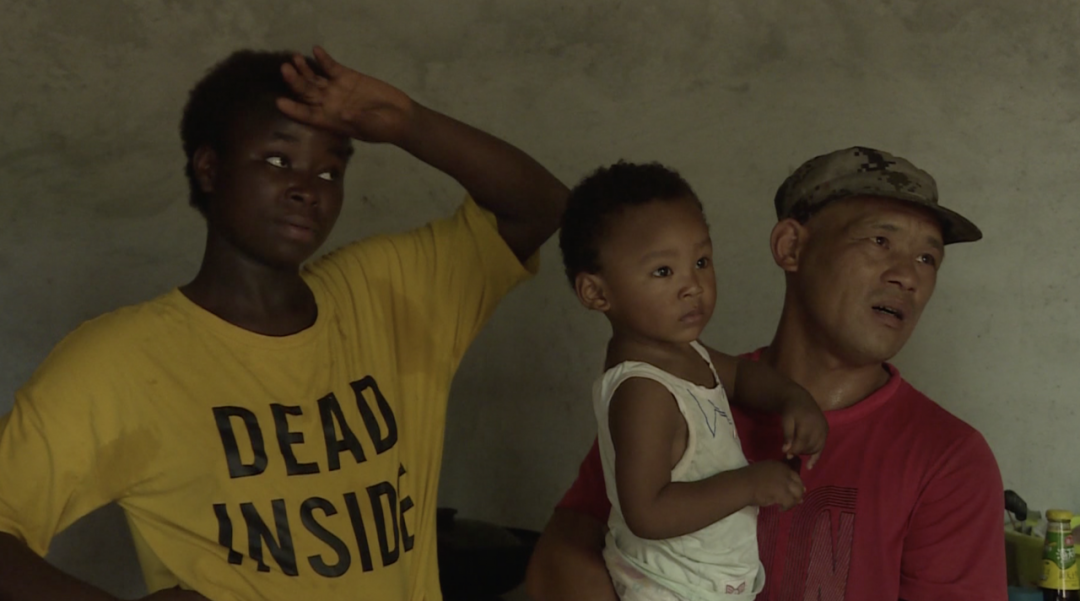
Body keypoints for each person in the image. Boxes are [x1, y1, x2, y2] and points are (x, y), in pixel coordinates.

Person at [0, 46, 567, 601]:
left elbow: (539, 207)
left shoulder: (386, 292)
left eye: (330, 171)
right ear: (210, 169)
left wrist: (408, 123)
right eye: (278, 160)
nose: (308, 189)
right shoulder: (122, 361)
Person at [526, 147, 1008, 601]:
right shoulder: (676, 394)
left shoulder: (950, 461)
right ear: (791, 246)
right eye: (880, 241)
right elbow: (560, 563)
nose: (908, 276)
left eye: (927, 258)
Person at [558, 161, 828, 600]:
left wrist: (792, 399)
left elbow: (740, 375)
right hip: (670, 590)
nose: (693, 286)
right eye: (663, 271)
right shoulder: (643, 391)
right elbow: (647, 511)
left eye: (701, 261)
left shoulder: (683, 354)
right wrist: (749, 485)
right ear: (597, 292)